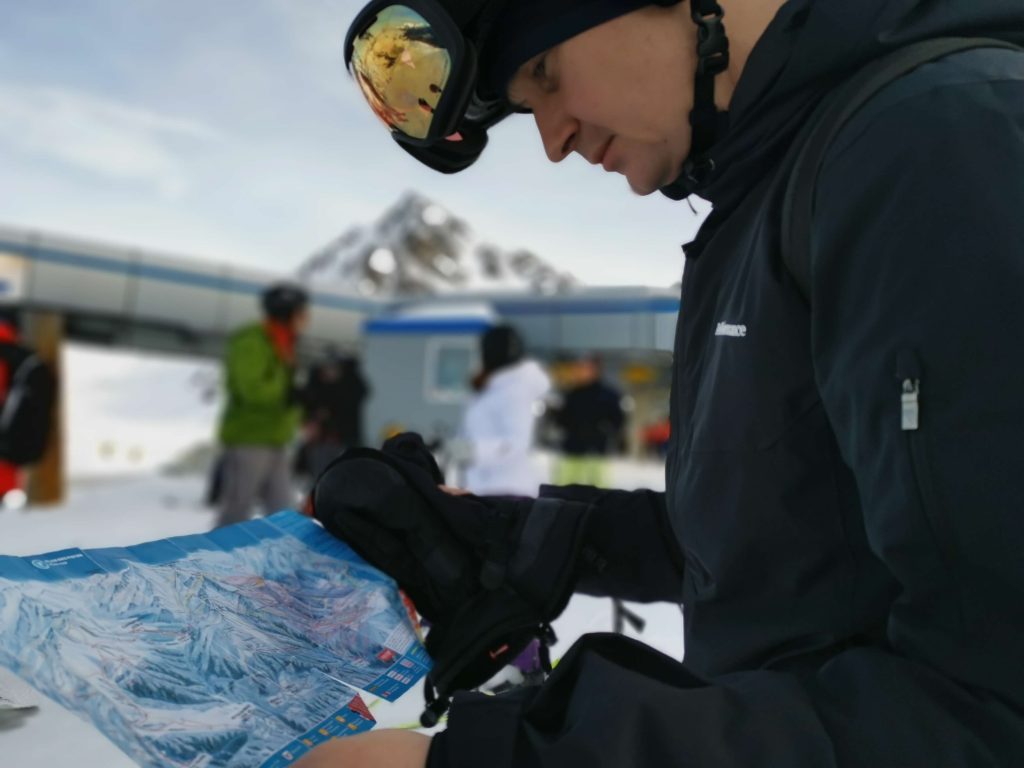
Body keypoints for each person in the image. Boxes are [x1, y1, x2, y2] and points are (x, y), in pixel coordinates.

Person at [301, 1, 1024, 766]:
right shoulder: (764, 193)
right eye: (524, 107)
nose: (551, 141)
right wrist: (509, 539)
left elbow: (992, 706)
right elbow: (781, 541)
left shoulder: (935, 144)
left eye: (546, 74)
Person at [214, 283, 308, 528]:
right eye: (301, 312)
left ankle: (279, 562)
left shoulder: (284, 341)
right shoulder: (253, 341)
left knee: (281, 510)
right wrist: (289, 393)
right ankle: (217, 561)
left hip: (275, 438)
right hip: (250, 438)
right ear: (286, 313)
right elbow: (251, 389)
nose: (306, 318)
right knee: (237, 509)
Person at [455, 325, 551, 498]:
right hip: (484, 486)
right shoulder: (494, 386)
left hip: (507, 490)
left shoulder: (515, 390)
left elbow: (517, 442)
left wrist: (472, 451)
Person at [296, 352, 371, 483]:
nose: (330, 373)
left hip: (343, 441)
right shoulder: (316, 389)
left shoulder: (349, 389)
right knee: (321, 478)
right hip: (321, 443)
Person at [553, 355, 624, 488]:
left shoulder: (608, 395)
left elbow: (617, 420)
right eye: (579, 368)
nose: (580, 371)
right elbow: (561, 419)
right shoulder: (571, 394)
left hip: (596, 450)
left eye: (585, 368)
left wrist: (605, 431)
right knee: (565, 487)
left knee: (599, 490)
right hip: (572, 449)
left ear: (596, 370)